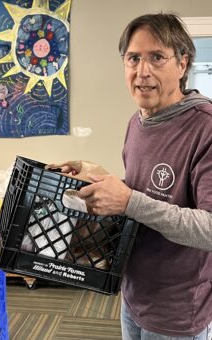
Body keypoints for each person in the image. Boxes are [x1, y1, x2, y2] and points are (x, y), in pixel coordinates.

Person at [48, 13, 212, 339]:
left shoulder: (204, 127)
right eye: (133, 58)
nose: (143, 71)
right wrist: (99, 178)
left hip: (179, 312)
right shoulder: (137, 122)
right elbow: (144, 192)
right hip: (134, 294)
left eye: (157, 57)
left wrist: (128, 200)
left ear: (182, 63)